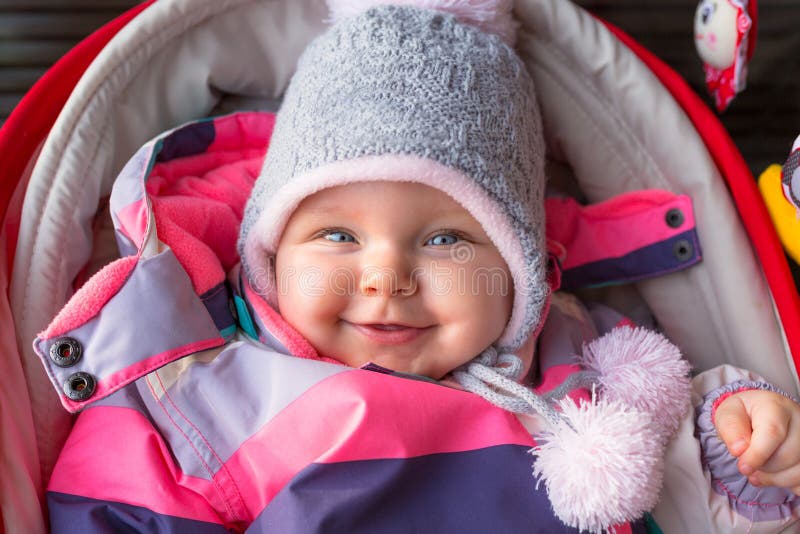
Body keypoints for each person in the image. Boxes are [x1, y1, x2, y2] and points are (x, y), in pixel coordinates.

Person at [34, 1, 800, 532]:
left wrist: (737, 451)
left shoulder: (589, 362)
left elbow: (682, 489)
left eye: (444, 241)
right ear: (265, 253)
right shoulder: (202, 397)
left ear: (519, 266)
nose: (386, 278)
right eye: (338, 235)